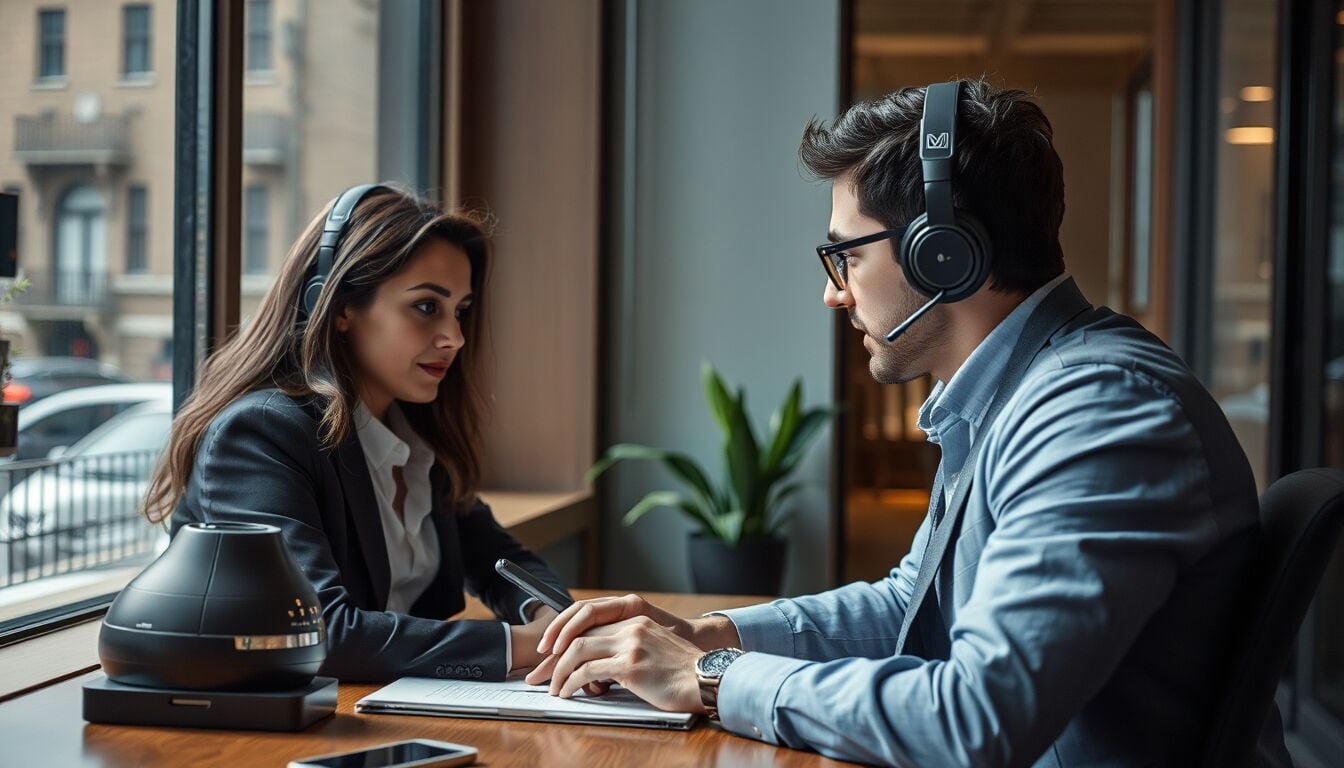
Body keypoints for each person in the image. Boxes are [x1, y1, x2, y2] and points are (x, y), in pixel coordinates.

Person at [527, 80, 1292, 766]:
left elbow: (977, 720)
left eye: (846, 256)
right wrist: (711, 638)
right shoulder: (1018, 393)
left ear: (944, 256)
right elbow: (908, 601)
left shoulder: (1099, 413)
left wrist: (708, 679)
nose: (834, 295)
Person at [144, 184, 567, 682]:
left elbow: (501, 559)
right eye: (427, 306)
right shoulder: (260, 434)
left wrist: (558, 623)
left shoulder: (413, 437)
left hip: (389, 709)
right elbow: (317, 632)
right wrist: (526, 646)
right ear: (339, 306)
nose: (455, 336)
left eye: (461, 310)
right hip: (290, 738)